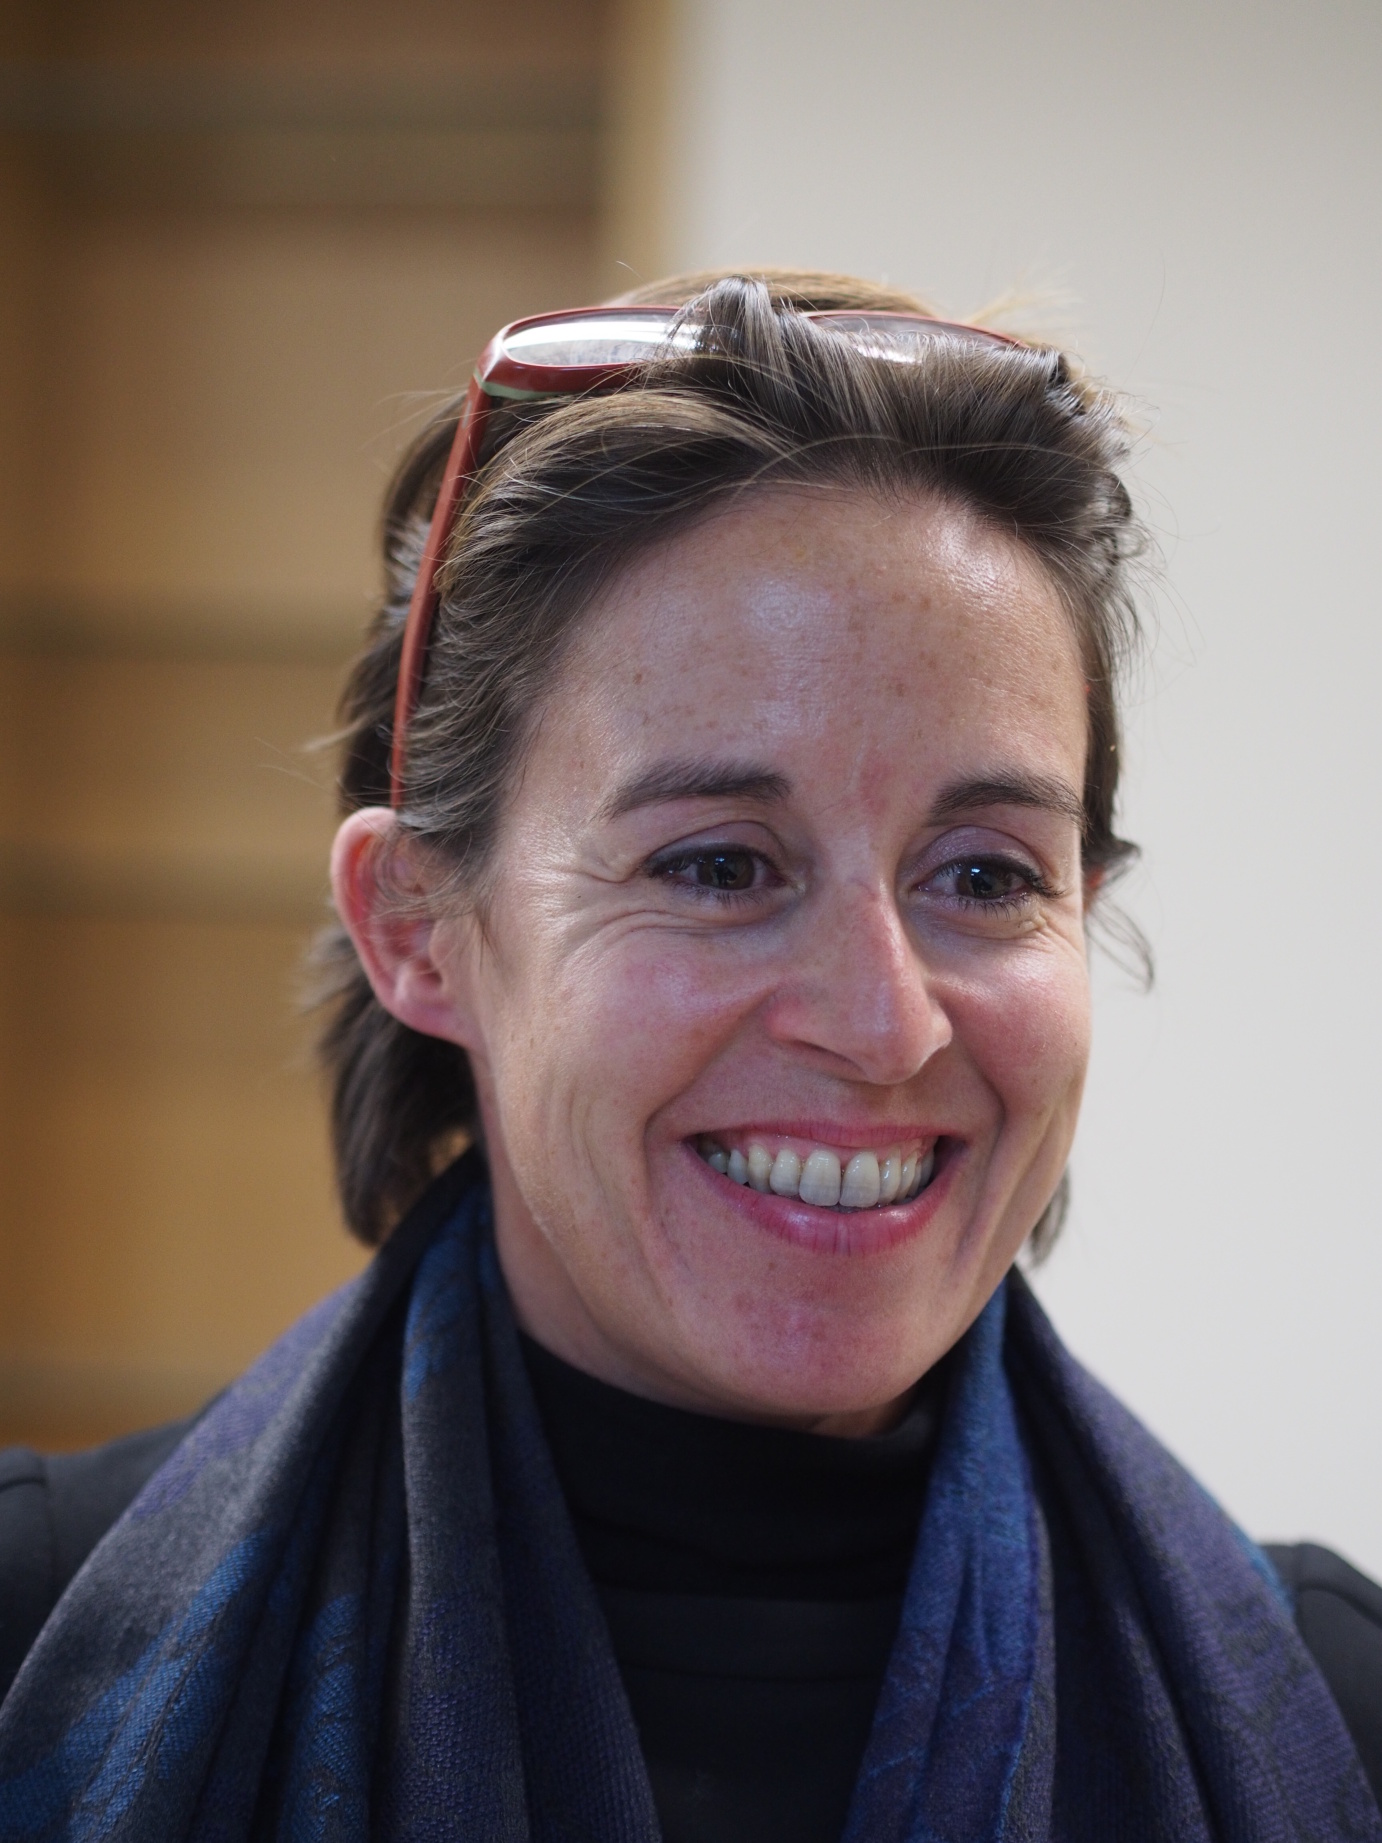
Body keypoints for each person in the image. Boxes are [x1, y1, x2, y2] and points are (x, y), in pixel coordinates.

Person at [0, 270, 1378, 1842]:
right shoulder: (39, 1646)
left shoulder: (1334, 1724)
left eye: (985, 876)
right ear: (420, 928)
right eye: (718, 865)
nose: (881, 1025)